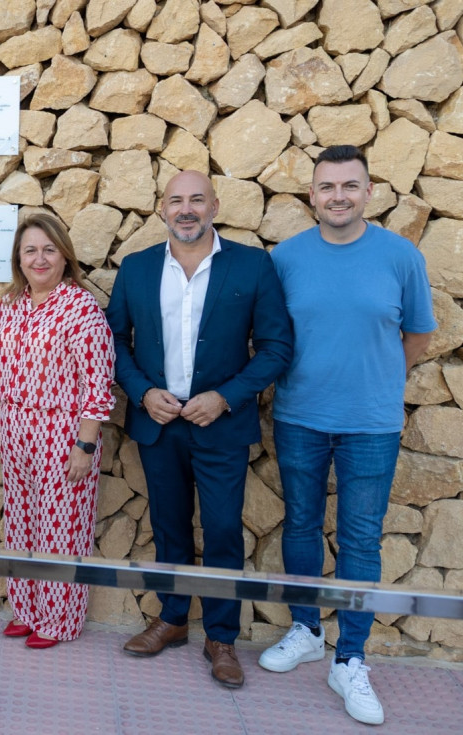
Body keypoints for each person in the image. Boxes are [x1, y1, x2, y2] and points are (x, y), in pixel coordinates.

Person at [258, 145, 435, 725]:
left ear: (369, 192)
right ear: (312, 194)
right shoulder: (286, 258)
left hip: (371, 424)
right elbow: (272, 335)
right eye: (328, 186)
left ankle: (351, 658)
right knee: (302, 525)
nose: (338, 196)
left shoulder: (400, 256)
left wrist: (375, 382)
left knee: (361, 539)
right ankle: (307, 630)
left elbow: (417, 335)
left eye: (350, 186)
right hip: (300, 415)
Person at [106, 170, 292, 688]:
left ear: (214, 205)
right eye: (175, 201)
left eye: (196, 200)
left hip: (221, 425)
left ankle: (222, 637)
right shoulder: (138, 267)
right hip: (159, 423)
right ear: (161, 208)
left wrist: (226, 398)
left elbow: (276, 347)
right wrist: (143, 392)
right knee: (168, 527)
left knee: (224, 531)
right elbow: (115, 341)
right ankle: (171, 619)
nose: (185, 209)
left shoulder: (253, 265)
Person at [0, 212, 116, 650]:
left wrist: (84, 446)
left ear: (64, 256)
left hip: (63, 430)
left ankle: (58, 620)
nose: (39, 259)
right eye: (30, 250)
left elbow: (98, 385)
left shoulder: (81, 308)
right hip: (16, 428)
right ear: (19, 259)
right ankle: (26, 609)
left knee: (61, 529)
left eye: (48, 250)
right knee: (21, 522)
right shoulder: (11, 304)